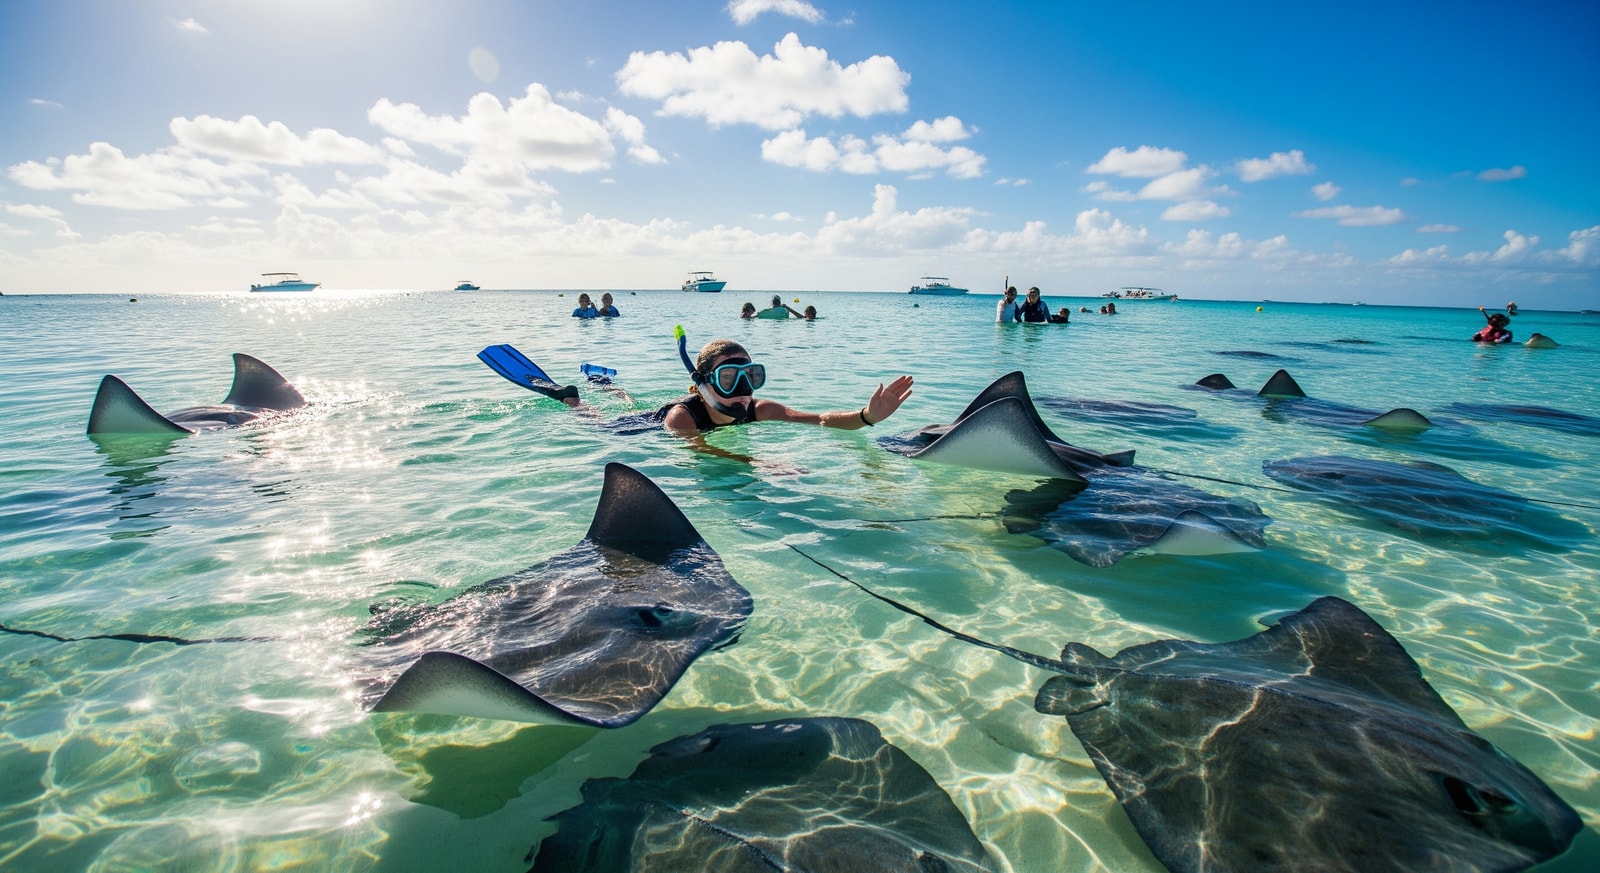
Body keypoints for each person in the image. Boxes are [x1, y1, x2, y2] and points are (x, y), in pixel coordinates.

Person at [658, 338, 913, 436]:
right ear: (703, 385)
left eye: (750, 377)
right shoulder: (681, 418)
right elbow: (704, 451)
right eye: (728, 379)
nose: (743, 389)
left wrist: (866, 417)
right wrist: (759, 463)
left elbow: (821, 420)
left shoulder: (759, 409)